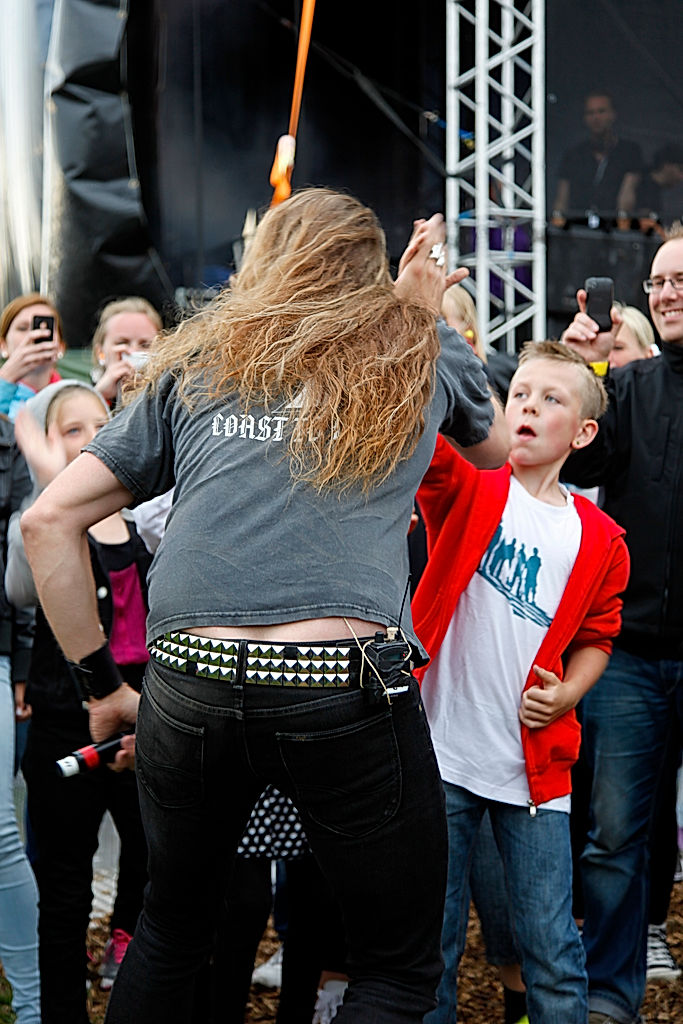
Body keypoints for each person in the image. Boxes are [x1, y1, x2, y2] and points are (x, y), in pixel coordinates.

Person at [19, 187, 509, 1024]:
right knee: (394, 968)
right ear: (371, 272)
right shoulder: (416, 343)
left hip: (190, 675)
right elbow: (493, 446)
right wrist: (422, 311)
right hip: (339, 679)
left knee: (172, 928)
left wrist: (102, 687)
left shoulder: (201, 359)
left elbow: (48, 519)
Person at [413, 342, 630, 1024]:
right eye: (519, 396)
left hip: (534, 770)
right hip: (439, 755)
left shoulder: (600, 538)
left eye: (550, 398)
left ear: (583, 432)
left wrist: (568, 694)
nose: (528, 406)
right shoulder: (469, 485)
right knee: (431, 951)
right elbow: (418, 426)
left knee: (552, 950)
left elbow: (598, 635)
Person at [561, 224, 683, 1023]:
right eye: (656, 283)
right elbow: (571, 462)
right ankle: (609, 999)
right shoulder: (632, 390)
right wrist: (580, 372)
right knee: (611, 841)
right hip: (632, 658)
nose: (665, 293)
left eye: (679, 280)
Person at [6, 381, 150, 1024]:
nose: (92, 437)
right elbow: (20, 587)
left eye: (102, 423)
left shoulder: (144, 514)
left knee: (149, 865)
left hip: (146, 717)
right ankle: (59, 1008)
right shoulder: (40, 521)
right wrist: (45, 486)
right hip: (69, 719)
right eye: (71, 430)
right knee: (62, 883)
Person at [0, 412, 40, 1024]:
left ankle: (34, 1007)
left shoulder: (10, 440)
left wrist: (21, 662)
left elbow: (26, 545)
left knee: (2, 834)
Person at [551, 92, 642, 229]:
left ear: (613, 115)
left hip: (613, 228)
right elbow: (561, 199)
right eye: (590, 113)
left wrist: (622, 233)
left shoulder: (629, 151)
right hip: (578, 229)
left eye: (601, 111)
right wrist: (558, 228)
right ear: (584, 118)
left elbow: (627, 196)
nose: (596, 117)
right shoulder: (574, 154)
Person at [0, 294, 65, 420]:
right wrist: (6, 379)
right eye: (23, 328)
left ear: (61, 347)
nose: (34, 335)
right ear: (3, 346)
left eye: (47, 328)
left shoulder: (74, 394)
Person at [91, 297, 163, 408]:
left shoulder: (171, 397)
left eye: (145, 345)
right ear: (100, 353)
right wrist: (99, 396)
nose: (133, 351)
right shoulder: (79, 395)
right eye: (121, 343)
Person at [633, 144, 683, 238]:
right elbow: (646, 224)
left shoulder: (657, 190)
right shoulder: (644, 187)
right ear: (666, 165)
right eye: (680, 170)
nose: (681, 177)